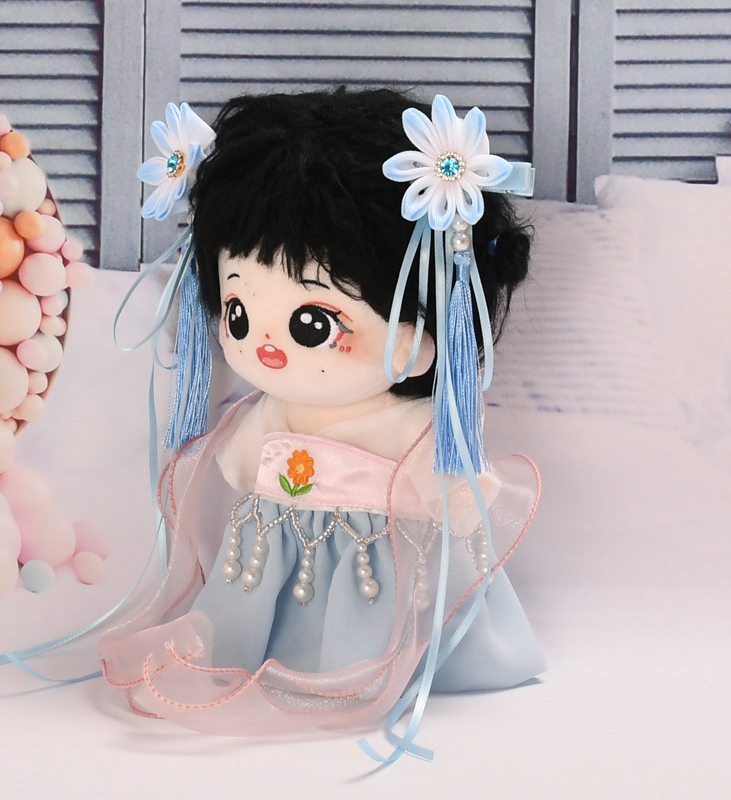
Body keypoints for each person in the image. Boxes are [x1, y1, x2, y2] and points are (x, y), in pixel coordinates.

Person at [99, 88, 545, 753]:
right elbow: (238, 464)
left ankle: (364, 668)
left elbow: (456, 495)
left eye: (312, 324)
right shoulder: (272, 412)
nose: (264, 348)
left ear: (421, 327)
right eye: (238, 314)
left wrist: (455, 500)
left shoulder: (408, 427)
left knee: (371, 635)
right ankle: (252, 650)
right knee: (236, 630)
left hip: (381, 573)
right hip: (266, 561)